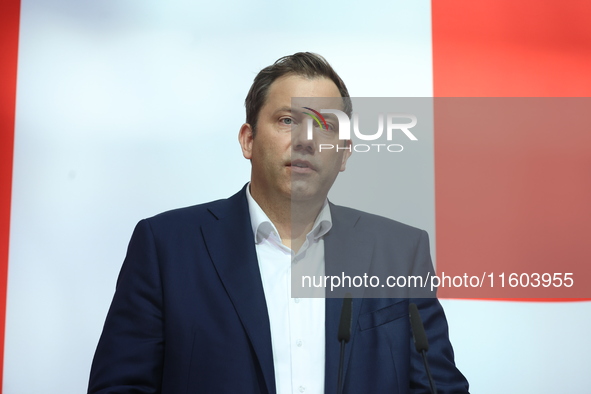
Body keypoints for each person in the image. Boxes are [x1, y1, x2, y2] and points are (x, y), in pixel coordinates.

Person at [88, 52, 469, 394]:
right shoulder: (167, 247)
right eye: (287, 120)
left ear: (344, 154)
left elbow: (438, 386)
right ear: (248, 140)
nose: (305, 141)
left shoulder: (398, 252)